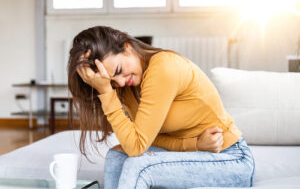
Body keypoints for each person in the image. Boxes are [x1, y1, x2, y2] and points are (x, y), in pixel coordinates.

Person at [68, 26, 255, 189]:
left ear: (127, 46)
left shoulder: (163, 68)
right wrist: (194, 145)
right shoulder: (128, 85)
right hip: (199, 151)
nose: (121, 82)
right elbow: (150, 139)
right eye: (111, 82)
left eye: (118, 71)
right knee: (116, 157)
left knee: (138, 166)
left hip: (230, 158)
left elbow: (136, 147)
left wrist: (105, 91)